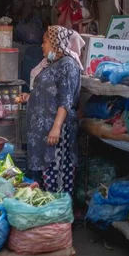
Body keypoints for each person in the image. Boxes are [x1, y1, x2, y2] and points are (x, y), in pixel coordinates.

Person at [18, 25, 84, 194]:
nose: (42, 45)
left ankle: (59, 215)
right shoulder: (52, 64)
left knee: (58, 175)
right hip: (42, 132)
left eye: (45, 41)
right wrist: (30, 97)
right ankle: (49, 214)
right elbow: (48, 93)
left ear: (57, 43)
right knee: (44, 178)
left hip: (56, 132)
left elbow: (65, 100)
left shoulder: (68, 65)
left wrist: (56, 127)